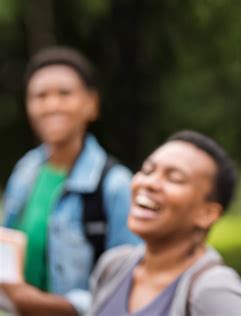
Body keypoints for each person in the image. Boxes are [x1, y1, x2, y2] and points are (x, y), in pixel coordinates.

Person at [1, 46, 141, 315]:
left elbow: (130, 287)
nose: (51, 105)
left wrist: (49, 306)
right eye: (40, 96)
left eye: (64, 94)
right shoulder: (26, 171)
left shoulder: (116, 185)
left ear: (92, 104)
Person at [87, 130, 241, 316]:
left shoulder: (213, 290)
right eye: (147, 170)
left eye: (174, 178)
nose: (150, 183)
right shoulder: (113, 266)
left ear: (207, 214)